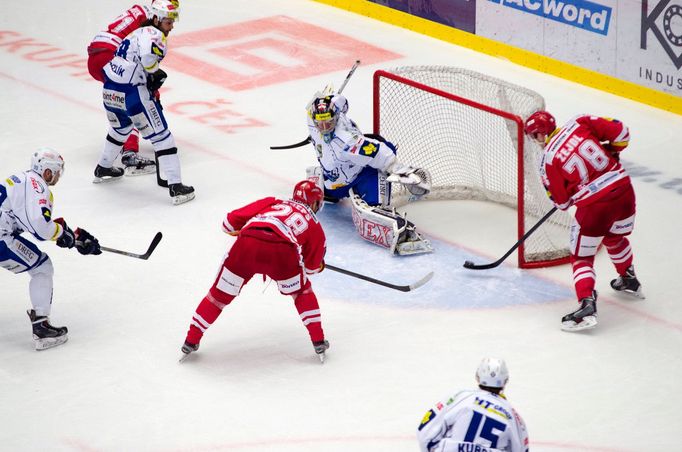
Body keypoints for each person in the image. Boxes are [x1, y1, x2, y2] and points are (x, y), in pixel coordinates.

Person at [180, 180, 330, 362]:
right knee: (301, 292)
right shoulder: (314, 224)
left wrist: (242, 229)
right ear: (315, 203)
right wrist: (319, 265)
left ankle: (191, 339)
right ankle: (318, 341)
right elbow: (311, 267)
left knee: (218, 296)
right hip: (282, 253)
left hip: (247, 244)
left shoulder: (274, 202)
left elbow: (228, 223)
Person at [525, 111, 644, 332]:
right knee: (614, 237)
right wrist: (613, 152)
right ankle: (628, 279)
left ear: (541, 135)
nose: (535, 141)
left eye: (534, 136)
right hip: (624, 192)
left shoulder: (548, 161)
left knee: (582, 256)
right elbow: (622, 133)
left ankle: (587, 306)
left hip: (595, 207)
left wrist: (575, 188)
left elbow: (561, 203)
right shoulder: (580, 122)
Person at [306, 88, 433, 255]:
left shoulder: (336, 134)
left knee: (376, 203)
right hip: (343, 180)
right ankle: (340, 195)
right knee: (335, 183)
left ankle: (399, 228)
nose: (323, 128)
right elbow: (342, 103)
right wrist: (330, 97)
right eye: (320, 124)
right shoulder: (325, 126)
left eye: (328, 123)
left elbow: (376, 151)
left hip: (346, 179)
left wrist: (401, 170)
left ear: (335, 117)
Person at [94, 0, 195, 206]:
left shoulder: (137, 32)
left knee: (120, 131)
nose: (172, 26)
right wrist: (154, 74)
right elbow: (148, 60)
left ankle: (103, 168)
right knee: (163, 138)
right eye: (168, 21)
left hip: (110, 91)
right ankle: (176, 187)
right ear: (156, 18)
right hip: (132, 93)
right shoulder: (154, 35)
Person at [0, 149, 102, 350]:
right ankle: (41, 328)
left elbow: (31, 221)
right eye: (56, 172)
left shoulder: (24, 179)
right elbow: (40, 228)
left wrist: (73, 235)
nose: (57, 177)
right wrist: (66, 236)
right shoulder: (38, 188)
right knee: (42, 268)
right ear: (47, 171)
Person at [87, 2, 168, 175]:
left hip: (98, 52)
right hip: (109, 53)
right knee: (137, 98)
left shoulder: (141, 8)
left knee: (127, 98)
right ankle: (130, 153)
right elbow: (145, 53)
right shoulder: (154, 20)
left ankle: (110, 158)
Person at [417, 357, 529, 452]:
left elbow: (426, 432)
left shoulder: (460, 397)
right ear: (505, 381)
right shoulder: (515, 417)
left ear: (477, 377)